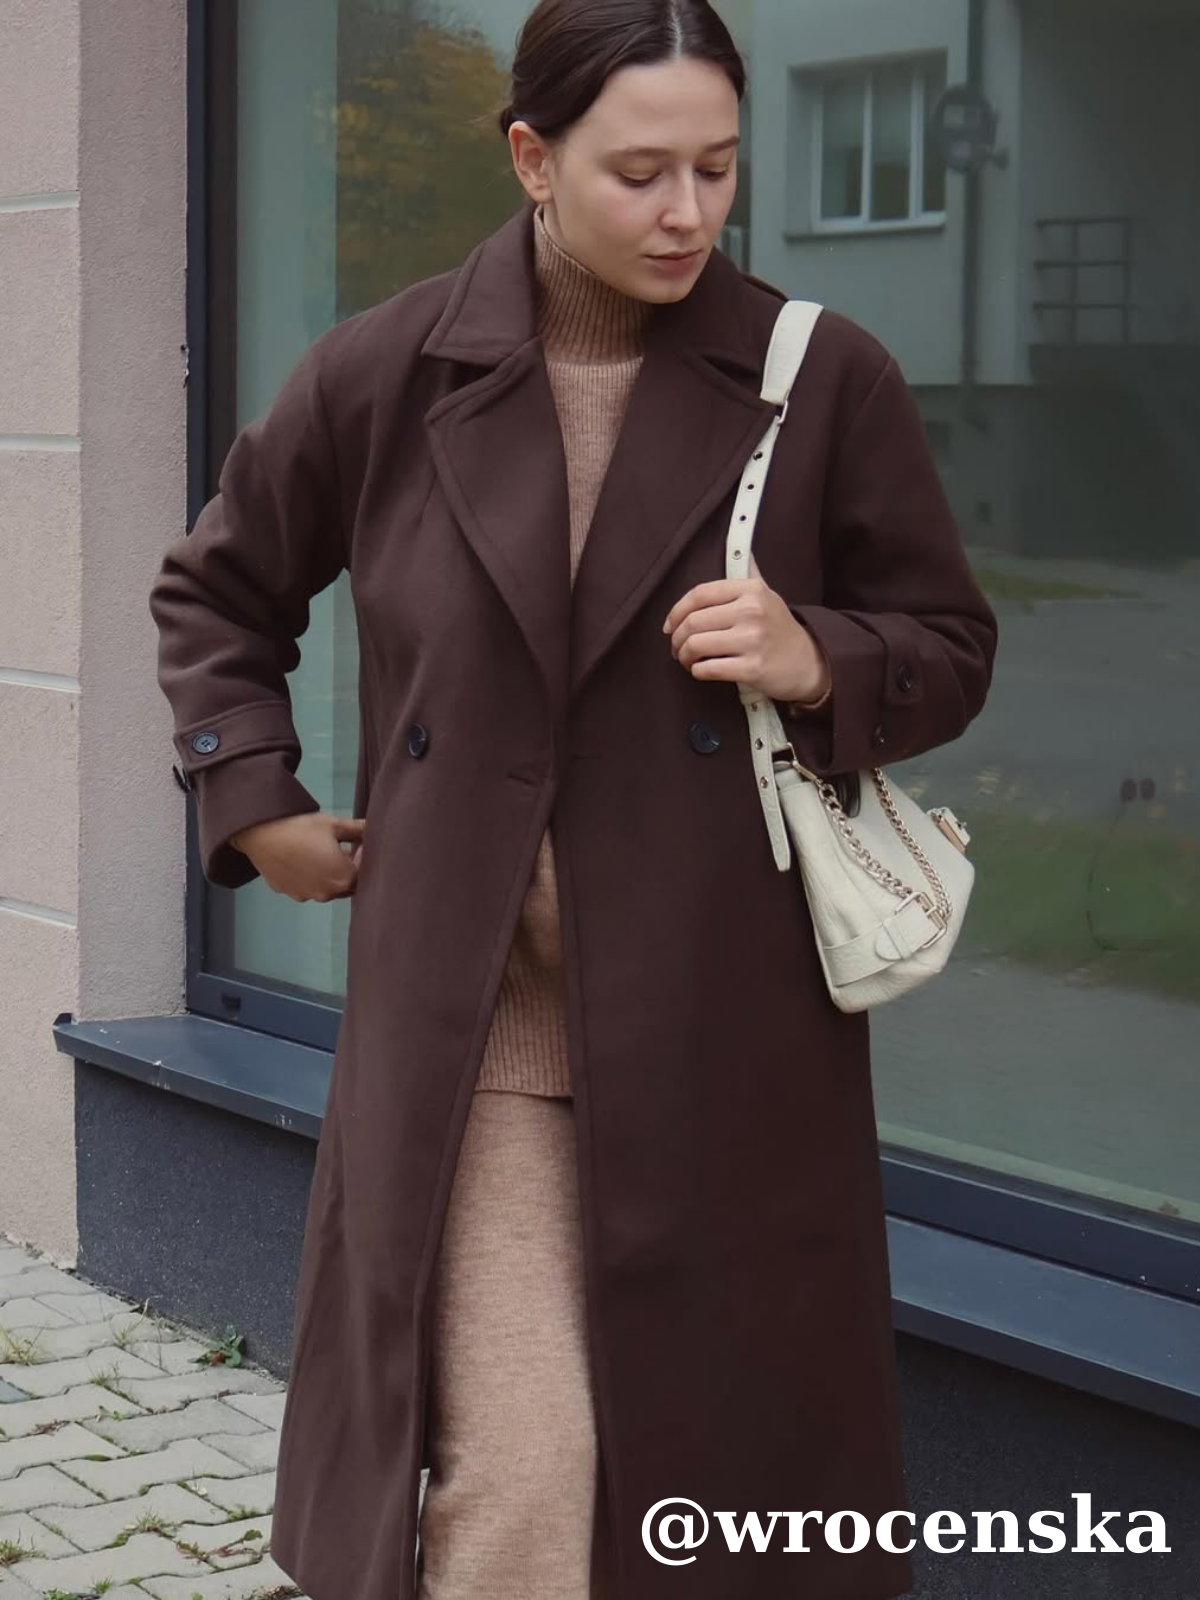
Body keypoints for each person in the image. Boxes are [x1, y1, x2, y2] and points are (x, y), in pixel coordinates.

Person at [148, 2, 998, 1597]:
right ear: (533, 159)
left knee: (708, 1485)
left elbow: (952, 647)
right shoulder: (392, 370)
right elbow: (219, 590)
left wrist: (816, 655)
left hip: (722, 1036)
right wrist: (251, 797)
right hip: (472, 1030)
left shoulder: (820, 378)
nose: (686, 213)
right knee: (526, 1475)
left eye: (717, 169)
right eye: (640, 172)